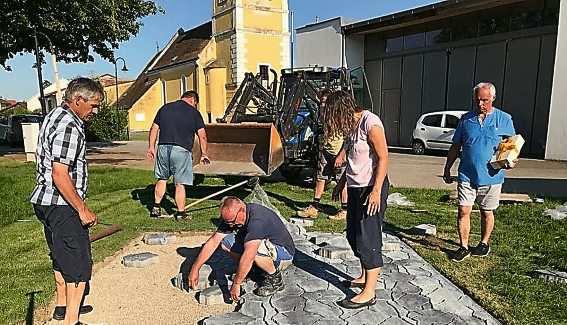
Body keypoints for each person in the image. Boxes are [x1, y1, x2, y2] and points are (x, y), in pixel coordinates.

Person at [30, 77, 104, 325]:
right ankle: (72, 320)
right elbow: (60, 174)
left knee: (60, 256)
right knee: (79, 265)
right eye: (93, 105)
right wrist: (82, 209)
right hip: (62, 204)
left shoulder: (54, 115)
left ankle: (62, 307)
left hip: (46, 202)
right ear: (78, 100)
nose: (95, 111)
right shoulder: (70, 126)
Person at [326, 90, 389, 309]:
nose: (332, 121)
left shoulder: (370, 123)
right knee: (353, 235)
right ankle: (364, 275)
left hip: (371, 188)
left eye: (332, 115)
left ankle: (369, 292)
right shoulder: (352, 127)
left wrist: (376, 191)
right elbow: (354, 159)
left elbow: (383, 157)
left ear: (342, 110)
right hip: (355, 188)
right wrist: (342, 182)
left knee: (368, 238)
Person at [443, 82, 516, 262]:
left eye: (485, 100)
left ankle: (484, 243)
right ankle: (464, 246)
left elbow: (511, 146)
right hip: (467, 174)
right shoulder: (466, 120)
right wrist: (447, 167)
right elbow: (455, 146)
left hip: (492, 176)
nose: (481, 104)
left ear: (493, 98)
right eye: (478, 100)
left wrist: (510, 161)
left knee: (486, 211)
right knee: (463, 210)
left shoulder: (504, 119)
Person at [188, 197, 295, 300]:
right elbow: (213, 242)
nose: (230, 225)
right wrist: (195, 268)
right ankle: (254, 271)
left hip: (283, 254)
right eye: (227, 222)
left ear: (242, 211)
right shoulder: (233, 217)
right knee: (226, 243)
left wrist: (236, 283)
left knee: (254, 250)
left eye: (231, 221)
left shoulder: (257, 221)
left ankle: (275, 280)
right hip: (266, 250)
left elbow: (249, 255)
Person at [147, 91, 210, 220]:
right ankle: (181, 213)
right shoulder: (194, 113)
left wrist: (151, 147)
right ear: (193, 100)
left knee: (162, 178)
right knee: (180, 183)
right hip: (181, 150)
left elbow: (154, 129)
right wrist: (204, 154)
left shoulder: (164, 108)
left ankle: (156, 208)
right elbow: (202, 135)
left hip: (163, 147)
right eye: (195, 104)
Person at [297, 89, 349, 220]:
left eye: (325, 102)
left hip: (339, 152)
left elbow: (348, 138)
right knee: (320, 178)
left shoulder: (339, 115)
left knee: (341, 181)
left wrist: (341, 155)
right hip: (326, 150)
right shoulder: (322, 114)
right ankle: (314, 207)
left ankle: (345, 209)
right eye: (321, 102)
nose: (323, 104)